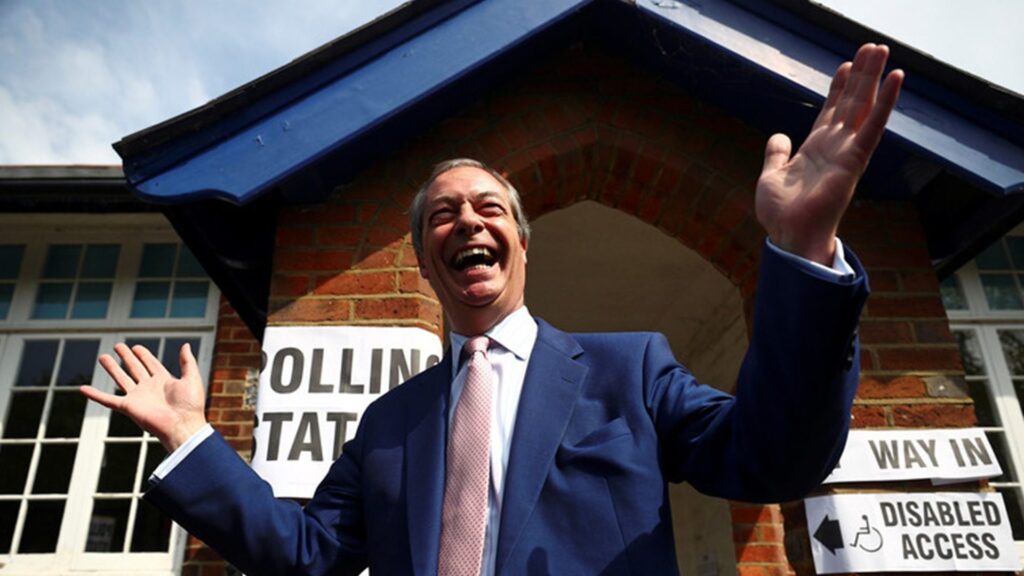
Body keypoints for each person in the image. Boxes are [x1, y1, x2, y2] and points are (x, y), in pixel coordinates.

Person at [81, 44, 903, 575]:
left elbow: (770, 459)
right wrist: (191, 438)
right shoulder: (388, 425)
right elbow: (307, 555)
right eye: (443, 215)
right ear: (424, 261)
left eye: (488, 208)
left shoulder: (632, 368)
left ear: (522, 244)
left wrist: (804, 253)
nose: (468, 222)